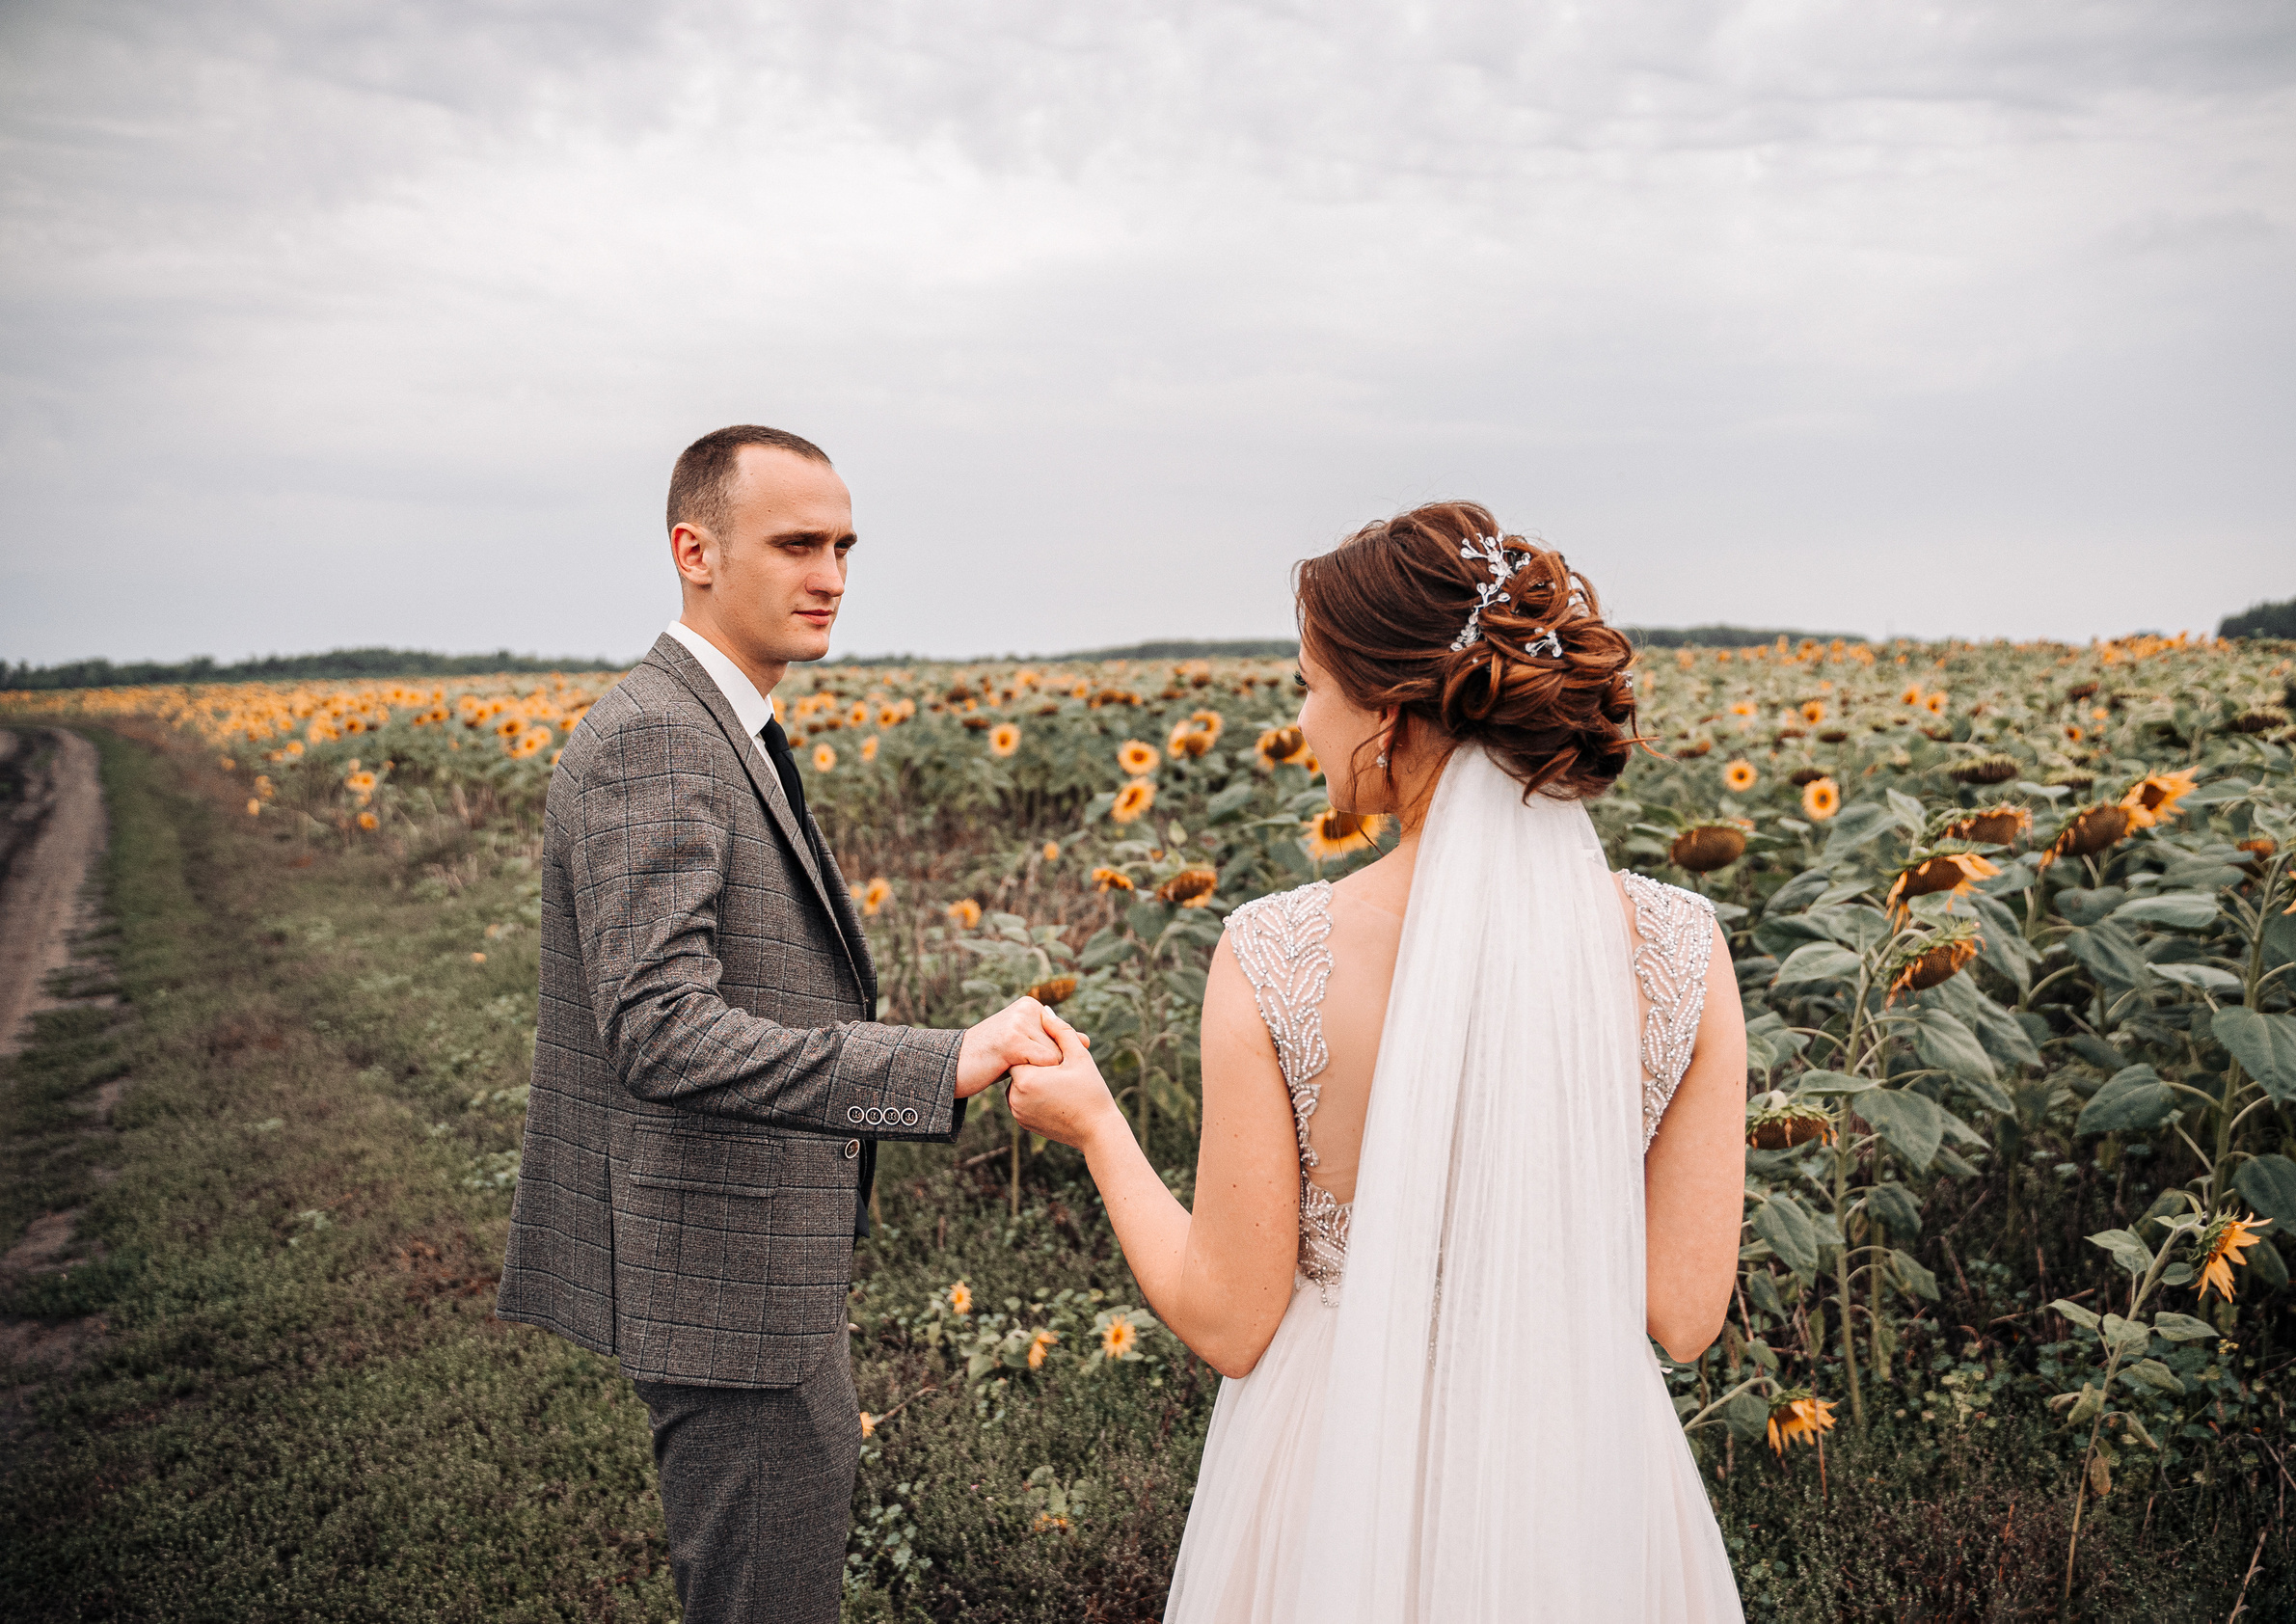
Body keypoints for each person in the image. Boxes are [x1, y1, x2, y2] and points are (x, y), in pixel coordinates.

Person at [1007, 501, 1749, 1622]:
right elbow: (1685, 1314)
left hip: (1334, 1463)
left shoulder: (1275, 952)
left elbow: (1230, 1319)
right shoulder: (1683, 948)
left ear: (1391, 712)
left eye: (1308, 684)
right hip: (1580, 1472)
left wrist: (1100, 1129)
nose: (1299, 718)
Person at [495, 424, 1064, 1624]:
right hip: (723, 1286)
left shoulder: (715, 724)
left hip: (755, 1265)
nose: (833, 576)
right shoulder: (657, 736)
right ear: (691, 549)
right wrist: (940, 1061)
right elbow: (658, 1029)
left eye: (845, 546)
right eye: (797, 543)